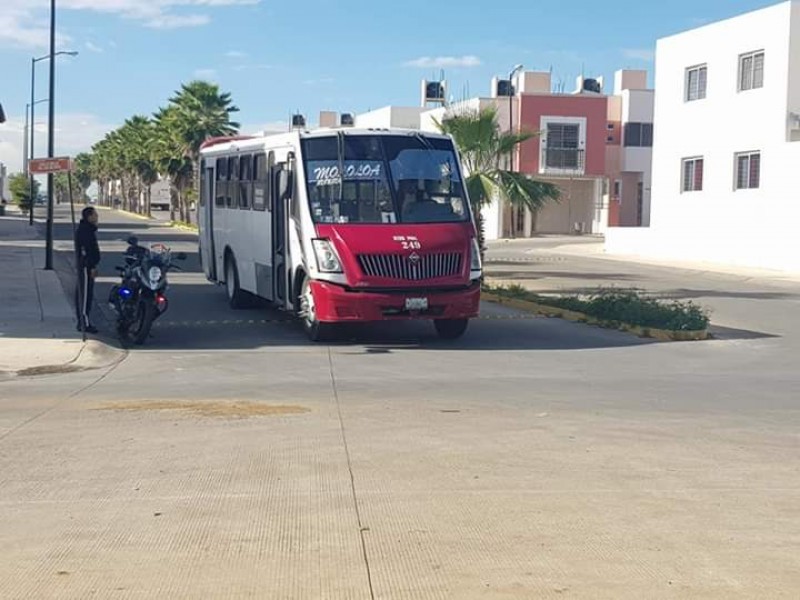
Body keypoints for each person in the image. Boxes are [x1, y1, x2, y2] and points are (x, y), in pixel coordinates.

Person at [75, 206, 101, 333]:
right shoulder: (85, 231)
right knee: (84, 295)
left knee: (87, 294)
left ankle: (84, 320)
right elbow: (86, 251)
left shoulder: (89, 230)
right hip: (85, 267)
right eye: (95, 215)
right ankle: (83, 323)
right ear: (89, 216)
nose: (97, 217)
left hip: (88, 266)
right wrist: (90, 266)